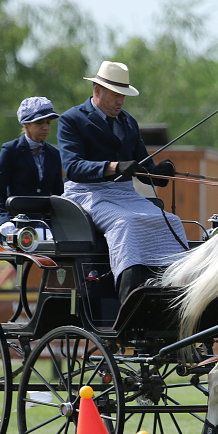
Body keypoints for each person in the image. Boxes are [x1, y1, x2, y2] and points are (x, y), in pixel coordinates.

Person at [58, 60, 187, 304]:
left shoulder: (129, 122)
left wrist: (157, 173)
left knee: (172, 221)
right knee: (125, 222)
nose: (121, 102)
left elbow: (142, 163)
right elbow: (73, 167)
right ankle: (129, 296)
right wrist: (113, 167)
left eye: (123, 96)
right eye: (116, 95)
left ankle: (175, 290)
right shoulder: (72, 119)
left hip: (124, 194)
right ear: (97, 91)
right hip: (86, 194)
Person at [0, 96, 64, 237]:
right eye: (39, 123)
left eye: (48, 123)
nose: (46, 127)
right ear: (26, 124)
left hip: (47, 227)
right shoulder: (10, 151)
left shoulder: (54, 154)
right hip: (17, 227)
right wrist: (4, 221)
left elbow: (58, 193)